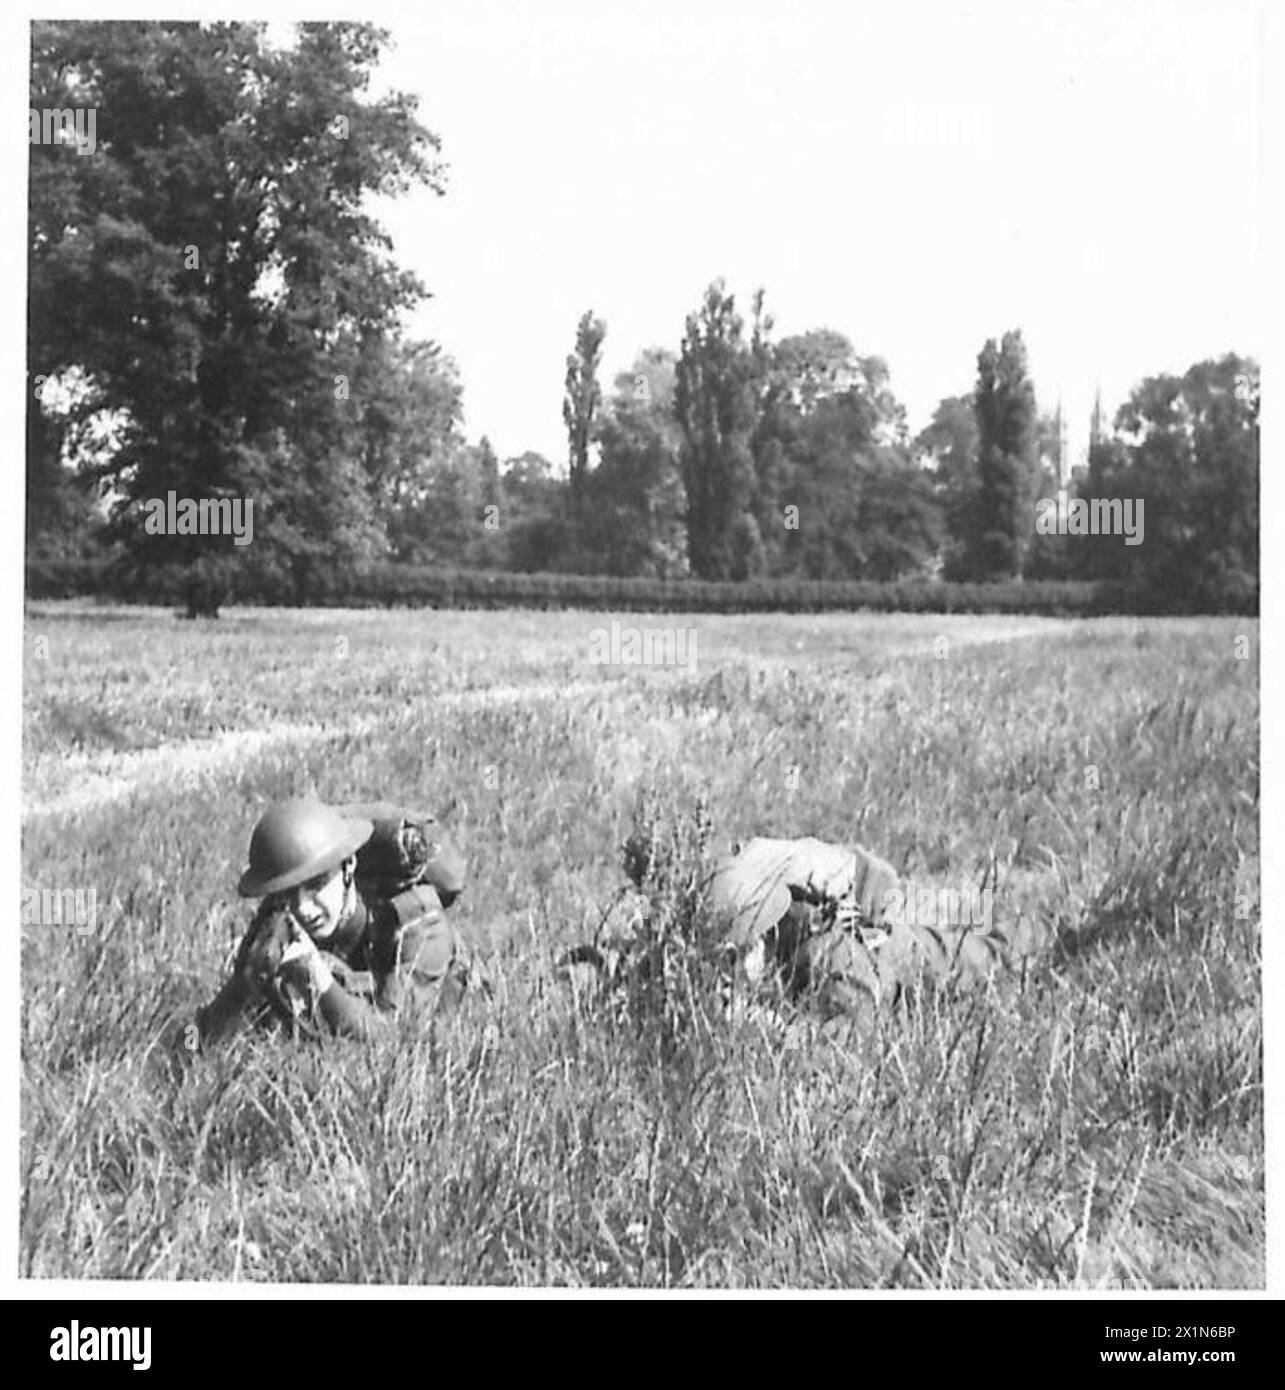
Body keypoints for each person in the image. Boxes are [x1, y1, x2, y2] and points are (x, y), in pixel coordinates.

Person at [196, 798, 470, 1046]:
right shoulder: (282, 912)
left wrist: (317, 976)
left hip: (443, 1023)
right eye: (289, 893)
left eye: (316, 885)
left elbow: (392, 1038)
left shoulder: (419, 922)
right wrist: (251, 977)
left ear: (348, 867)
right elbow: (215, 1025)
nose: (303, 908)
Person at [706, 835, 1008, 1022]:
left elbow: (854, 1038)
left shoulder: (824, 956)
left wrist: (780, 1031)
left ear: (761, 941)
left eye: (734, 957)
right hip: (891, 922)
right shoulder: (768, 950)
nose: (726, 973)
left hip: (938, 962)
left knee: (1002, 951)